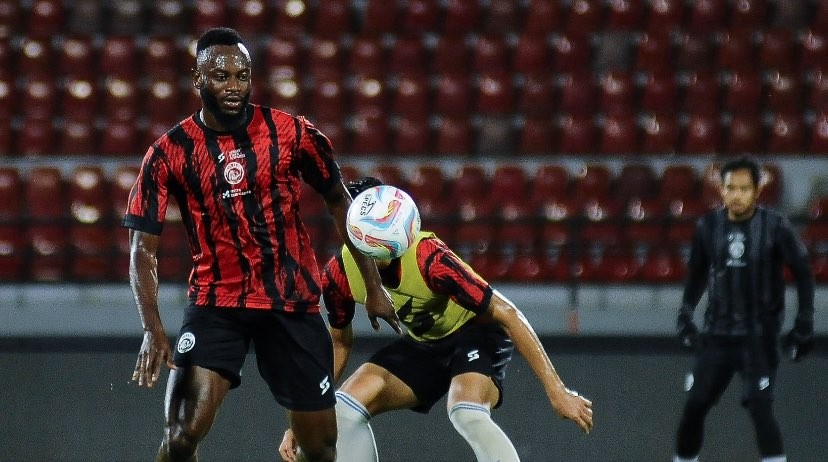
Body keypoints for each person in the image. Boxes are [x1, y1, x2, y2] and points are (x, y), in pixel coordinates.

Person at [123, 28, 401, 462]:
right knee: (179, 438)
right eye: (220, 76)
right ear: (197, 78)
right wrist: (151, 325)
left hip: (290, 302)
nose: (233, 87)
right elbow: (143, 250)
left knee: (320, 449)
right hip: (217, 303)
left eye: (242, 75)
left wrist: (374, 287)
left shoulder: (292, 132)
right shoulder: (168, 153)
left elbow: (338, 201)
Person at [278, 177, 594, 462]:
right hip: (424, 343)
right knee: (342, 406)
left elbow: (507, 313)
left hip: (475, 334)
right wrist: (309, 413)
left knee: (465, 411)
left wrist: (557, 391)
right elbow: (338, 341)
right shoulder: (338, 275)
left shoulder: (429, 258)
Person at [672, 156, 815, 462]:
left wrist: (804, 321)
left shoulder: (775, 227)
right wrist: (685, 313)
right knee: (695, 406)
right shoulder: (708, 226)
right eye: (730, 188)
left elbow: (803, 271)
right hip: (717, 335)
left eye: (743, 188)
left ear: (756, 191)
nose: (736, 195)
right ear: (721, 190)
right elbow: (697, 273)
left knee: (760, 407)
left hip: (758, 338)